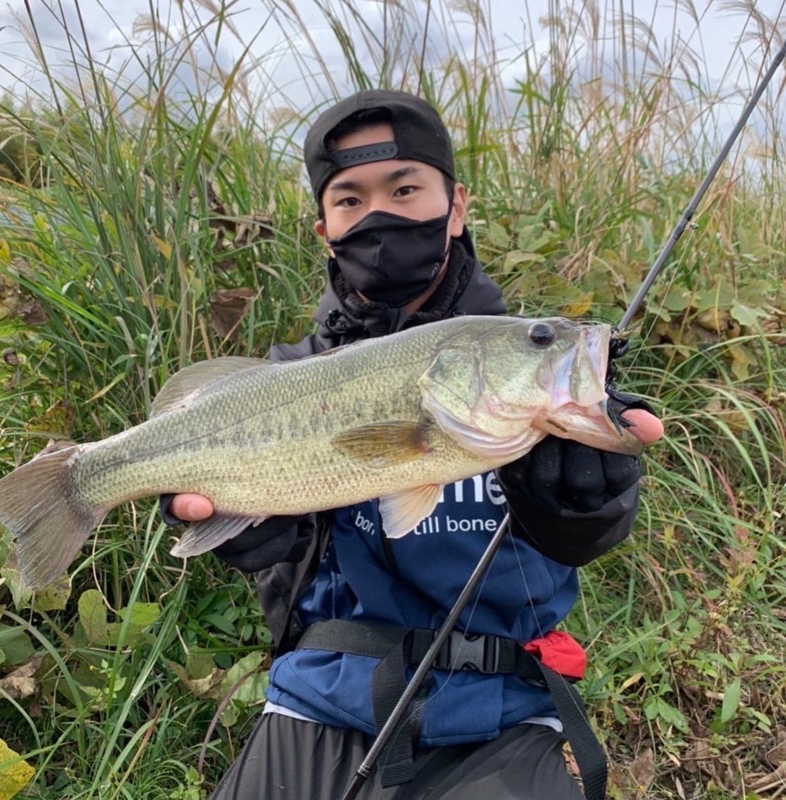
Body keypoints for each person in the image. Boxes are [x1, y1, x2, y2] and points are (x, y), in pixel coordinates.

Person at [165, 90, 663, 800]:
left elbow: (597, 504)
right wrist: (244, 529)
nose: (380, 216)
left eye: (404, 188)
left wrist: (588, 508)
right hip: (319, 698)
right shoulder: (281, 377)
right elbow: (277, 560)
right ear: (324, 228)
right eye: (350, 200)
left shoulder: (520, 361)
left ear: (456, 206)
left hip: (505, 714)